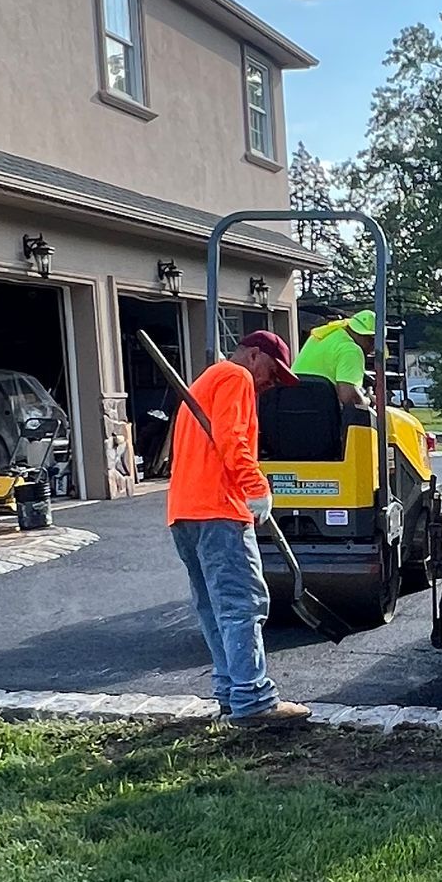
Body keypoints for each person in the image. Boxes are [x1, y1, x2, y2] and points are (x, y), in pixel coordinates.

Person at [166, 330, 309, 727]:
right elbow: (232, 439)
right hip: (219, 510)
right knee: (242, 605)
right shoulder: (235, 377)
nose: (272, 383)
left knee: (214, 607)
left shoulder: (204, 382)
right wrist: (256, 486)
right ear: (253, 355)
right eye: (273, 372)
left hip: (186, 512)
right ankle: (253, 699)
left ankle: (231, 692)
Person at [294, 309, 376, 410]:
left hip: (291, 410)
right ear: (370, 338)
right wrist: (368, 401)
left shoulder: (324, 335)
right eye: (373, 345)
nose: (371, 350)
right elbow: (349, 397)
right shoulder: (351, 350)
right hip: (321, 416)